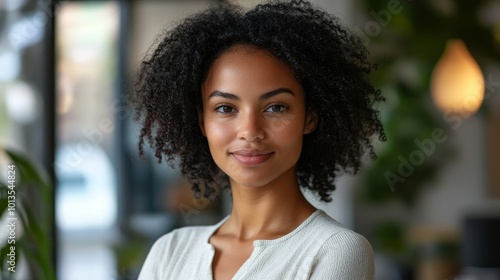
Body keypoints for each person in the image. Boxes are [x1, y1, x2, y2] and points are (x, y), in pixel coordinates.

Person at [129, 0, 385, 279]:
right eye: (226, 108)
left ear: (310, 117)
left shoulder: (335, 251)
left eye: (276, 107)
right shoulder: (170, 251)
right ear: (202, 120)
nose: (250, 131)